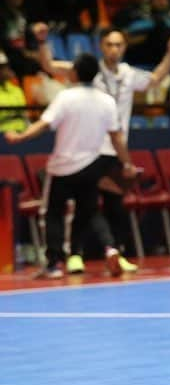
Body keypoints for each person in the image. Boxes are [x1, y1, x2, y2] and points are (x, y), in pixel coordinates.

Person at [38, 25, 170, 274]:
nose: (114, 50)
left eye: (119, 45)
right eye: (109, 45)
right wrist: (42, 42)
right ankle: (80, 253)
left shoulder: (128, 74)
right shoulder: (88, 71)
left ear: (124, 48)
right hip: (91, 151)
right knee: (88, 205)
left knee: (113, 205)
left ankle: (114, 251)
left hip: (115, 149)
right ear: (101, 47)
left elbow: (155, 78)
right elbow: (50, 66)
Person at [4, 53, 135, 278]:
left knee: (53, 213)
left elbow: (44, 124)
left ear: (74, 73)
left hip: (62, 168)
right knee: (91, 211)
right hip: (91, 166)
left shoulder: (66, 97)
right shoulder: (107, 101)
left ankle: (54, 264)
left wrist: (21, 137)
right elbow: (116, 137)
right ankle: (110, 248)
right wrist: (127, 163)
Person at [0, 52, 26, 133]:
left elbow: (23, 113)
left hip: (21, 133)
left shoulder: (17, 90)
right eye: (1, 67)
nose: (5, 70)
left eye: (5, 66)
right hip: (2, 134)